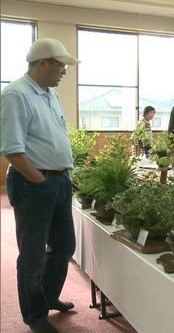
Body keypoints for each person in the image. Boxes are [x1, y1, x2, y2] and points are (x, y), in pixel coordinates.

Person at [1, 37, 79, 333]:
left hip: (59, 181)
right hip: (34, 184)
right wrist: (40, 181)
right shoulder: (16, 95)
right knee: (32, 254)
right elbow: (12, 149)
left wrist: (59, 178)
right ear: (43, 62)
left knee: (64, 246)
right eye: (60, 65)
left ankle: (47, 297)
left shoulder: (49, 93)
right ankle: (34, 316)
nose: (64, 71)